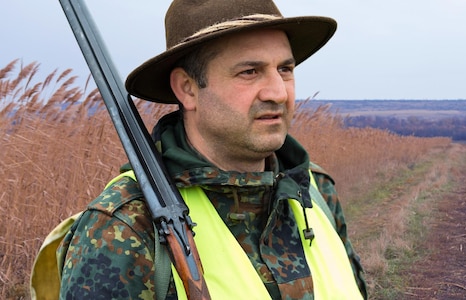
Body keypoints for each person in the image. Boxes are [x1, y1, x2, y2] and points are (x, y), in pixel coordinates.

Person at [56, 0, 368, 299]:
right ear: (188, 89)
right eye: (250, 71)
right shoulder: (125, 229)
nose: (278, 92)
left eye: (285, 69)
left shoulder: (315, 191)